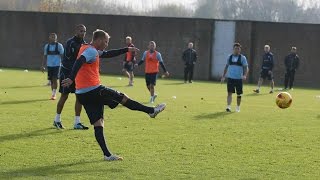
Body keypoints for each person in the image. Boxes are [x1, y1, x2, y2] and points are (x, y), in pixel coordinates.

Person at [61, 29, 166, 161]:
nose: (106, 44)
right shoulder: (91, 51)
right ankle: (151, 111)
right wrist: (71, 78)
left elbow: (107, 54)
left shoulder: (87, 48)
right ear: (98, 40)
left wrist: (127, 49)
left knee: (98, 123)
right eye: (105, 41)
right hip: (94, 90)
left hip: (82, 94)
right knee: (123, 98)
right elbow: (79, 61)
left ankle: (107, 155)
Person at [54, 24, 88, 130]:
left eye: (84, 31)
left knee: (79, 97)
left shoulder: (84, 44)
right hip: (67, 73)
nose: (83, 33)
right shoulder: (70, 43)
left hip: (78, 75)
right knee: (64, 96)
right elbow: (68, 60)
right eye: (81, 31)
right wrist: (72, 74)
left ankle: (77, 122)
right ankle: (57, 120)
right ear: (76, 31)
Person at [221, 43, 249, 113]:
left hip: (239, 79)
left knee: (239, 94)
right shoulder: (229, 57)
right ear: (233, 49)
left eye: (238, 48)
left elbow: (246, 68)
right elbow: (226, 67)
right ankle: (228, 107)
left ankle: (238, 107)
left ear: (240, 50)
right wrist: (223, 76)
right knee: (229, 93)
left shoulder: (243, 58)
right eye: (236, 48)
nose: (237, 50)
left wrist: (245, 75)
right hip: (230, 78)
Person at [41, 33, 64, 100]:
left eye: (54, 37)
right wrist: (42, 65)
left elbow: (63, 55)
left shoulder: (59, 46)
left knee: (54, 79)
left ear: (56, 38)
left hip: (57, 65)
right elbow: (45, 56)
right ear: (49, 38)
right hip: (49, 65)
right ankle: (53, 93)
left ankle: (54, 94)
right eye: (51, 37)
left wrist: (64, 64)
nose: (53, 38)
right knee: (51, 80)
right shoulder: (47, 46)